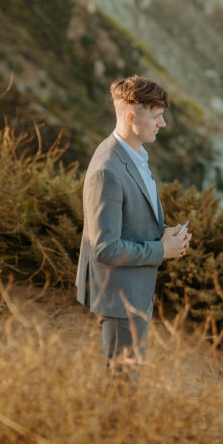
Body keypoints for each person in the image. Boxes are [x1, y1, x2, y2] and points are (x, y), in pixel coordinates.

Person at [76, 74, 191, 375]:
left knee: (128, 381)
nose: (162, 124)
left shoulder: (136, 154)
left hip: (135, 290)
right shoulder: (107, 170)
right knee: (123, 387)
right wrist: (160, 250)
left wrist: (164, 235)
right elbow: (104, 248)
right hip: (119, 297)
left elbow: (132, 219)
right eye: (156, 116)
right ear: (130, 117)